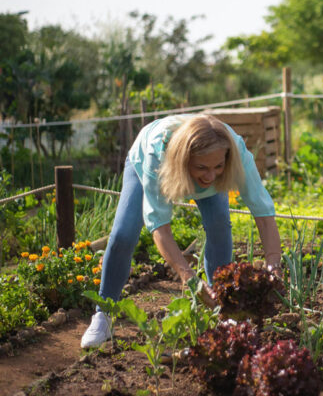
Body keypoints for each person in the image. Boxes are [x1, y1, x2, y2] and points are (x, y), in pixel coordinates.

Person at [80, 114, 282, 348]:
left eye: (218, 166)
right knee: (123, 235)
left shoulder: (234, 151)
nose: (210, 175)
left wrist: (273, 264)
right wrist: (189, 278)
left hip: (200, 168)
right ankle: (103, 314)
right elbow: (159, 227)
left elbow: (264, 214)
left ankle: (222, 310)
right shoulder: (158, 155)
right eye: (202, 167)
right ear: (186, 160)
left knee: (219, 227)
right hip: (147, 161)